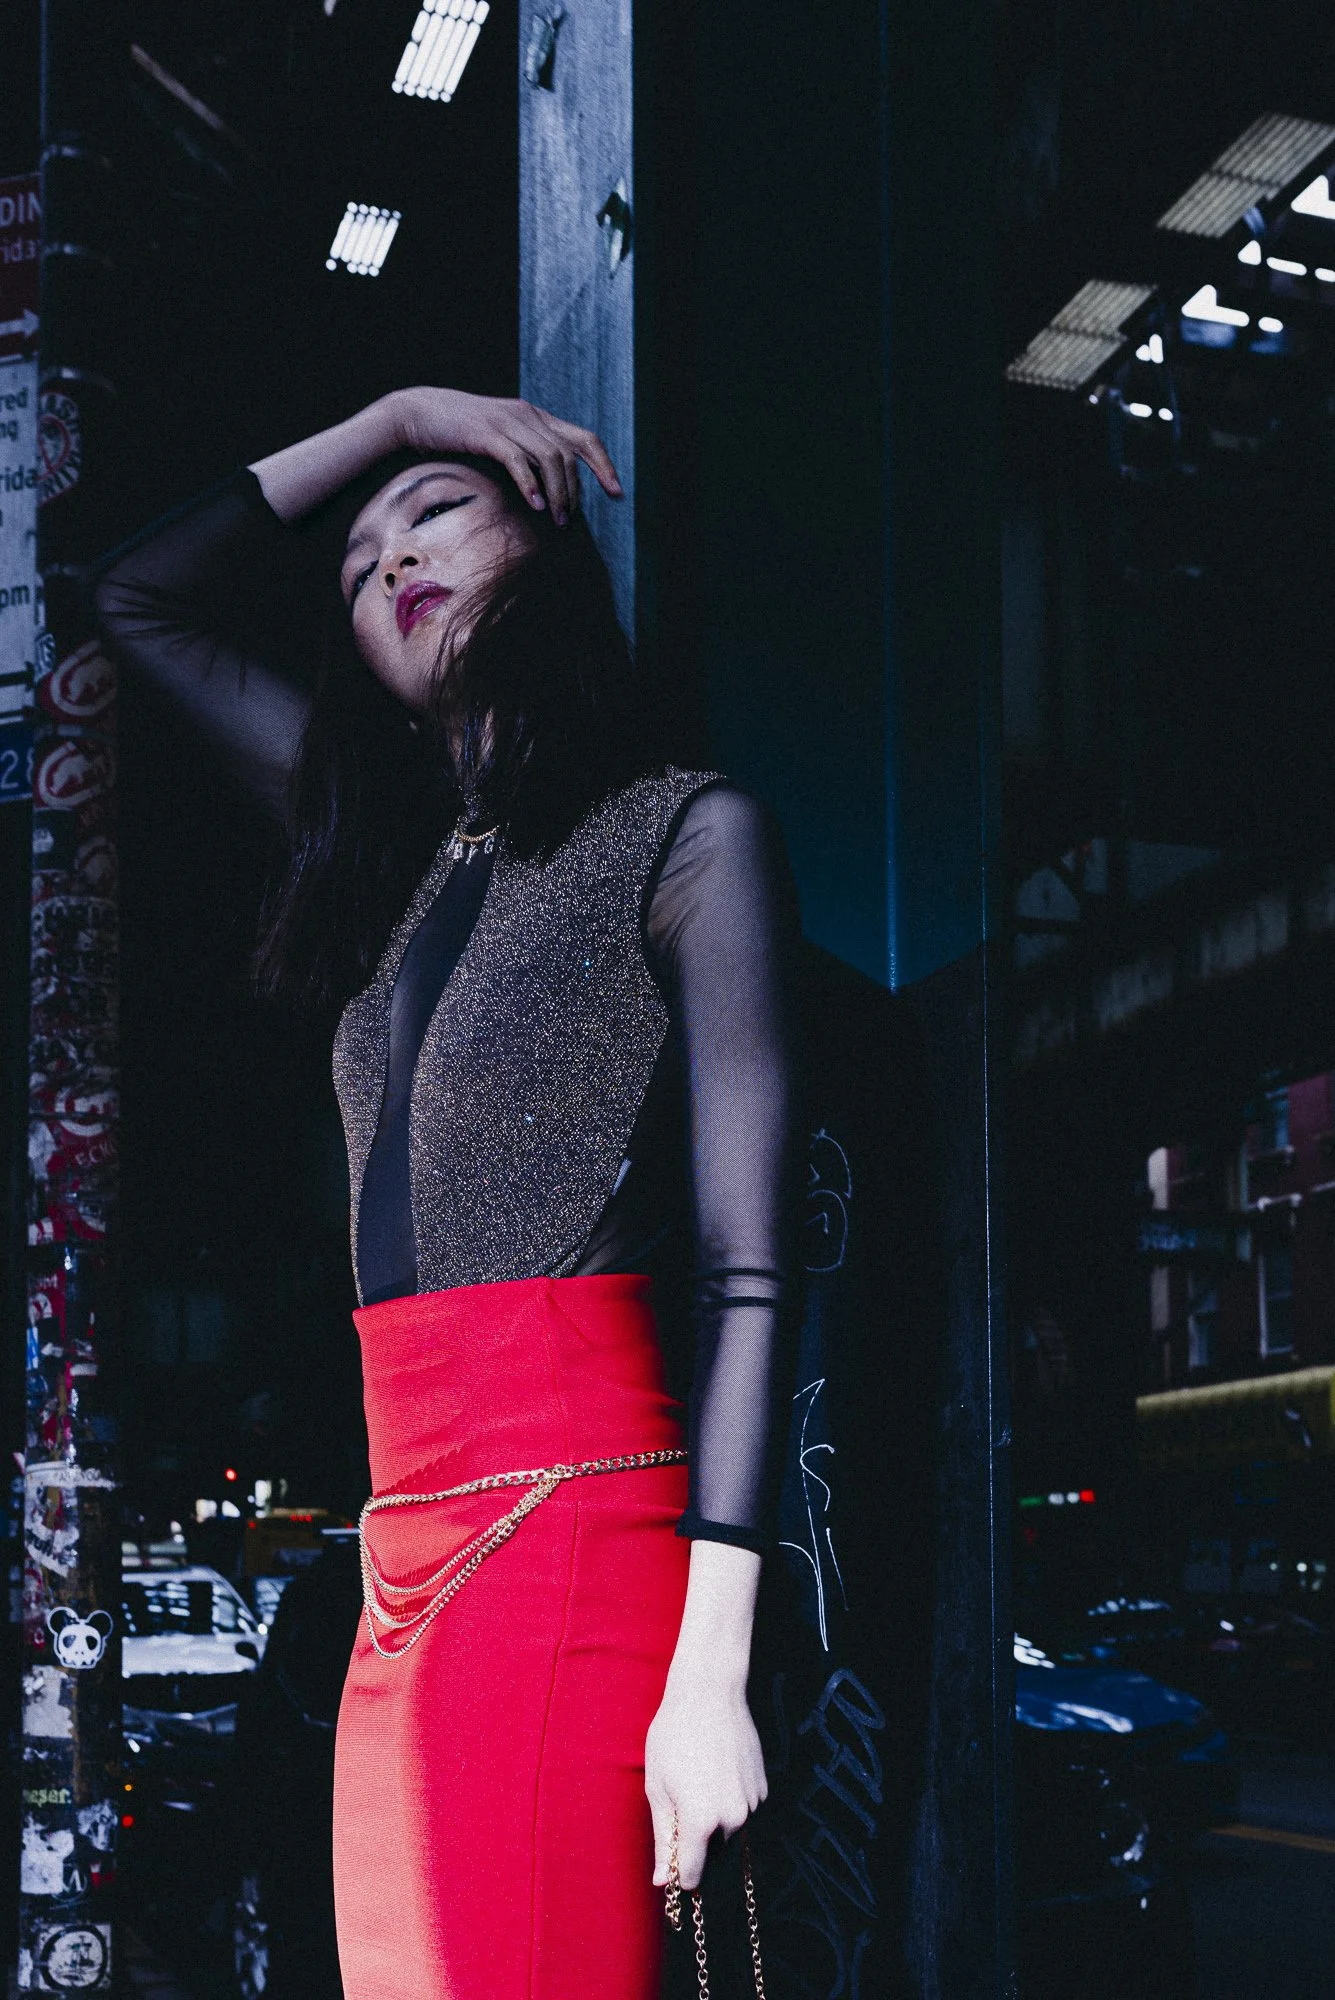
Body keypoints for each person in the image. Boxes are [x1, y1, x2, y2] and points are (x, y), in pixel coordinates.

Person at [94, 386, 801, 2000]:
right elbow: (138, 597)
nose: (390, 558)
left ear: (548, 551)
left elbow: (749, 1272)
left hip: (575, 1535)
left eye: (437, 514)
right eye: (357, 565)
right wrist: (398, 413)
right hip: (400, 1562)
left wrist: (712, 1675)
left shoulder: (685, 836)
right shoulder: (393, 863)